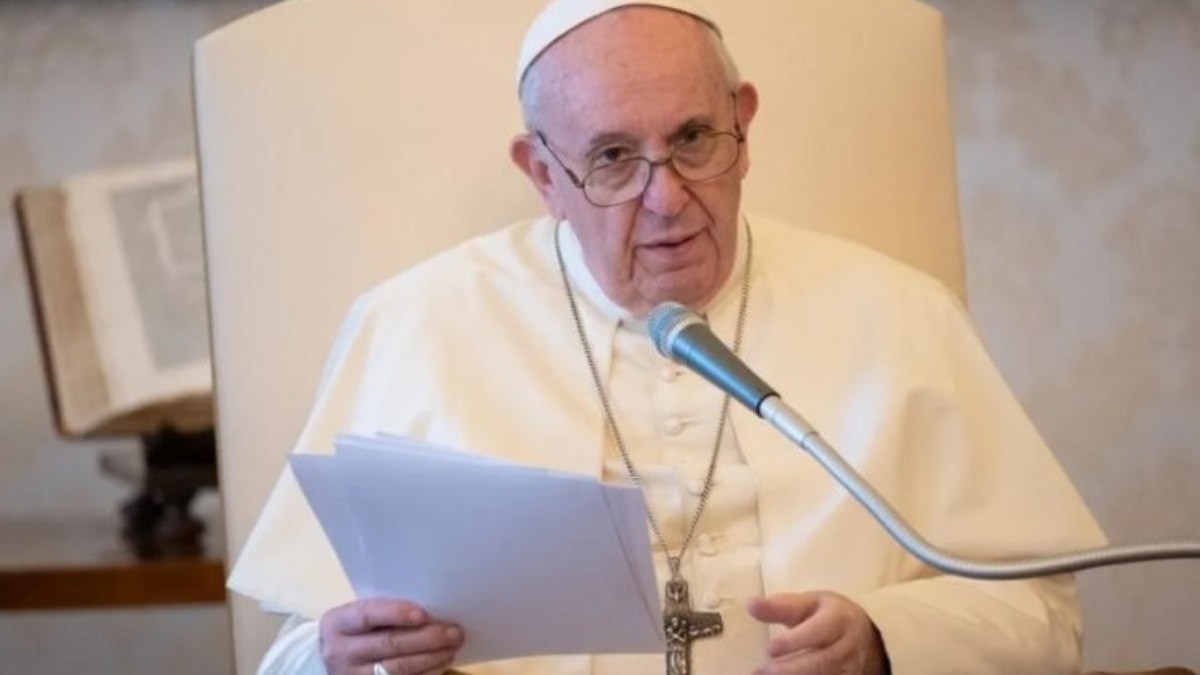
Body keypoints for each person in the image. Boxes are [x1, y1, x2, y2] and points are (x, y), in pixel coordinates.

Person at [230, 1, 1106, 674]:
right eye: (612, 157)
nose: (667, 197)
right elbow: (292, 654)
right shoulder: (414, 326)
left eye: (693, 139)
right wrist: (360, 657)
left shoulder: (900, 313)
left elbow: (1043, 616)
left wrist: (886, 639)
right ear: (543, 173)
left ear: (745, 125)